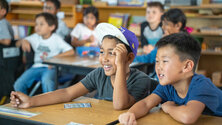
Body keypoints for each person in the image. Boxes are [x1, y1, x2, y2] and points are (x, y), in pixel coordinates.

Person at [10, 23, 155, 110]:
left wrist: (120, 64)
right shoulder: (99, 74)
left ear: (129, 58)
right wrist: (31, 100)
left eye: (112, 53)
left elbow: (119, 105)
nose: (104, 58)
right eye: (102, 51)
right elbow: (67, 93)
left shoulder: (141, 79)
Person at [119, 33, 222, 125]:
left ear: (187, 66)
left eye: (165, 61)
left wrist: (169, 108)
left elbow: (188, 117)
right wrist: (130, 114)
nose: (158, 67)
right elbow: (146, 104)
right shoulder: (167, 85)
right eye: (157, 61)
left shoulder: (201, 85)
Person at [14, 13, 74, 94]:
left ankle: (49, 105)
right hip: (36, 67)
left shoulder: (56, 39)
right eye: (36, 24)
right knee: (18, 84)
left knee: (47, 83)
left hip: (50, 68)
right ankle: (25, 102)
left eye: (41, 24)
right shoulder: (35, 36)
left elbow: (71, 51)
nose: (37, 27)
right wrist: (24, 41)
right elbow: (17, 43)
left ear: (51, 27)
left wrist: (53, 59)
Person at [134, 8, 187, 79]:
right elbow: (150, 57)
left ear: (178, 25)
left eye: (166, 24)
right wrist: (129, 57)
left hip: (164, 82)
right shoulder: (166, 41)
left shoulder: (183, 44)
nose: (163, 27)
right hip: (157, 79)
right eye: (162, 24)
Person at [0, 0, 19, 104]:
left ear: (2, 11)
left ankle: (4, 98)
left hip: (6, 57)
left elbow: (7, 41)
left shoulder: (2, 23)